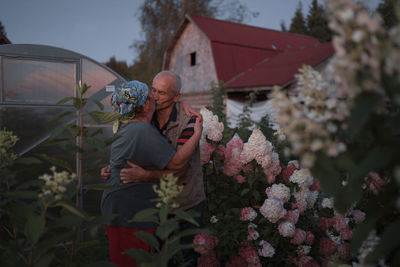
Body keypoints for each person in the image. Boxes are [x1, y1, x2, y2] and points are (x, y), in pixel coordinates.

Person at [101, 71, 206, 265]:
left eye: (162, 93)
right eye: (153, 91)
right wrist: (114, 166)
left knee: (185, 257)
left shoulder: (188, 121)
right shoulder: (147, 119)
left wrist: (143, 175)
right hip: (154, 206)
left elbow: (178, 166)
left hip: (183, 202)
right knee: (156, 257)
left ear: (176, 97)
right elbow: (137, 148)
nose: (155, 97)